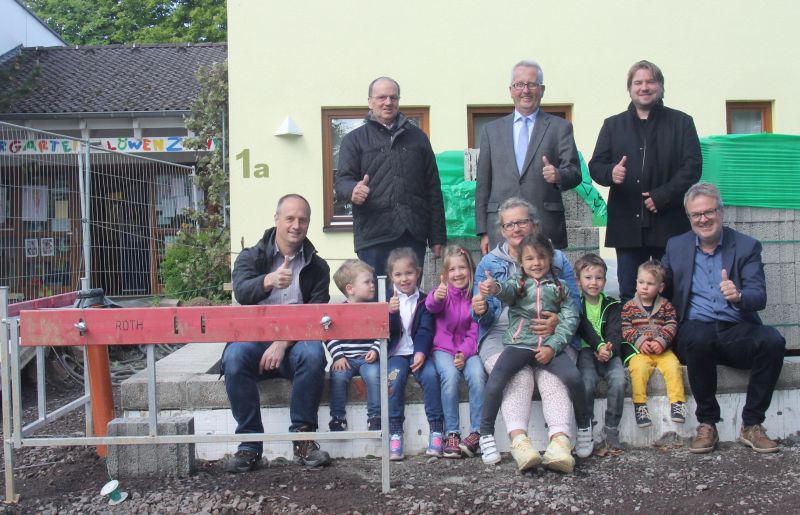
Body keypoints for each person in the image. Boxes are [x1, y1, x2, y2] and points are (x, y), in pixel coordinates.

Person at [662, 182, 785, 454]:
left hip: (736, 329)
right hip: (696, 334)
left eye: (709, 212)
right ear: (689, 218)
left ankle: (752, 424)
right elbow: (663, 286)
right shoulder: (676, 246)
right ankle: (707, 423)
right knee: (697, 336)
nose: (703, 219)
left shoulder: (746, 246)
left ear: (721, 211)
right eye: (696, 215)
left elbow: (758, 296)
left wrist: (738, 295)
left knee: (773, 341)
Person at [222, 194, 331, 473]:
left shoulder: (318, 267)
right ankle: (249, 444)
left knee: (313, 353)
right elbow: (242, 292)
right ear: (276, 220)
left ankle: (303, 440)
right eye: (290, 218)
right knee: (234, 356)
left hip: (293, 344)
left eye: (302, 219)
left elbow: (314, 317)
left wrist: (281, 344)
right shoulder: (251, 256)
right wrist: (268, 281)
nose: (296, 225)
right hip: (255, 341)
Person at [472, 197, 582, 473]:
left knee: (551, 374)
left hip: (551, 332)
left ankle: (560, 443)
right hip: (502, 334)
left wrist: (557, 320)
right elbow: (482, 316)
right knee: (517, 375)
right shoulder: (489, 262)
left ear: (534, 224)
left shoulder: (556, 258)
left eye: (522, 222)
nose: (517, 229)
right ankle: (520, 444)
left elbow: (574, 302)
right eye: (509, 225)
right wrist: (481, 306)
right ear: (502, 230)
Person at [589, 59, 702, 302]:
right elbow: (595, 166)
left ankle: (669, 339)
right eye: (638, 82)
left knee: (670, 289)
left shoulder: (682, 122)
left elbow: (692, 168)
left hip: (669, 223)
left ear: (661, 86)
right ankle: (633, 340)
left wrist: (663, 196)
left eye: (650, 81)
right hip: (627, 224)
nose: (644, 87)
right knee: (630, 291)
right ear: (629, 88)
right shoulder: (613, 125)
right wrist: (611, 173)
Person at [335, 76, 446, 293]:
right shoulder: (354, 140)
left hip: (412, 233)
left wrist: (437, 236)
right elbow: (342, 182)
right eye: (381, 97)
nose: (388, 102)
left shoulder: (418, 138)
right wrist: (352, 190)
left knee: (410, 299)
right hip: (374, 236)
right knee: (377, 299)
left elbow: (433, 188)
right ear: (370, 102)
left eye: (393, 97)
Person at [475, 59, 581, 253]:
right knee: (502, 282)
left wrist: (559, 175)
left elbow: (574, 172)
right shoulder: (491, 131)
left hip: (544, 226)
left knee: (545, 283)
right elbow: (483, 184)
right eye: (519, 85)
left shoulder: (560, 127)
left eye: (532, 84)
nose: (526, 90)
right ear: (511, 90)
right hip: (501, 229)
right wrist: (483, 231)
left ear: (542, 89)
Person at [425, 245, 485, 459]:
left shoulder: (475, 296)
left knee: (477, 375)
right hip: (442, 349)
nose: (458, 273)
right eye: (452, 270)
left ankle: (477, 433)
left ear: (470, 270)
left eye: (462, 268)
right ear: (445, 274)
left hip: (468, 350)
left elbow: (475, 329)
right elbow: (431, 306)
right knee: (449, 376)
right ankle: (452, 433)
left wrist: (464, 353)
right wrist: (437, 296)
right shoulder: (442, 294)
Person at [385, 247, 445, 461]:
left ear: (418, 273)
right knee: (393, 379)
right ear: (391, 276)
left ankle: (437, 430)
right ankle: (394, 431)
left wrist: (421, 352)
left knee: (430, 376)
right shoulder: (386, 301)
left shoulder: (424, 300)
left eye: (409, 273)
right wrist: (390, 313)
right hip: (396, 354)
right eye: (398, 274)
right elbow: (386, 332)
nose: (404, 279)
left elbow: (426, 330)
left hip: (419, 352)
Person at [620, 260, 687, 428]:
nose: (644, 287)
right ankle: (640, 405)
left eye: (650, 284)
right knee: (638, 369)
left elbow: (671, 324)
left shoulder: (666, 306)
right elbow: (625, 327)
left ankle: (677, 403)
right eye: (641, 282)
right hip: (640, 352)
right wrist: (640, 341)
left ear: (661, 287)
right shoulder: (629, 307)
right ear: (636, 283)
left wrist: (661, 341)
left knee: (673, 366)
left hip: (662, 351)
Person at [573, 253, 626, 450]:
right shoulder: (575, 304)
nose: (593, 283)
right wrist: (598, 346)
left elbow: (615, 331)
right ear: (578, 281)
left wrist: (608, 349)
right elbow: (581, 328)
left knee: (619, 380)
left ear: (605, 280)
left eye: (599, 278)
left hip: (609, 352)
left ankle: (611, 427)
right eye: (588, 278)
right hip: (586, 351)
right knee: (586, 382)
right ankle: (586, 425)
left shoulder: (612, 305)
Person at [326, 259, 382, 432]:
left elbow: (382, 333)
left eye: (372, 281)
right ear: (350, 289)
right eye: (367, 282)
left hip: (367, 359)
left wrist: (375, 349)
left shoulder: (375, 310)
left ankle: (375, 416)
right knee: (338, 377)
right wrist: (338, 356)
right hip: (346, 359)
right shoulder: (338, 312)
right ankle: (337, 417)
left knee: (374, 376)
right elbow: (329, 335)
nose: (372, 285)